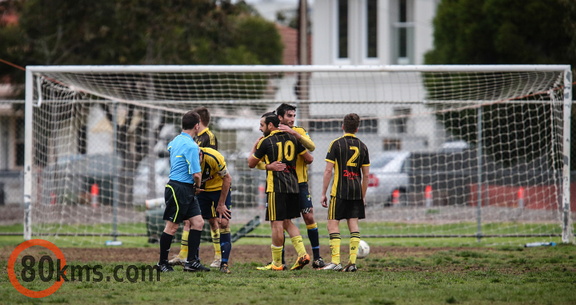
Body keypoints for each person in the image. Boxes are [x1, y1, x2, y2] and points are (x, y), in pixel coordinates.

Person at [248, 112, 313, 271]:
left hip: (276, 187)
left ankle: (277, 263)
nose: (260, 128)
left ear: (270, 125)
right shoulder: (292, 138)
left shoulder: (266, 141)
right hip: (293, 185)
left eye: (262, 125)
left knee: (276, 223)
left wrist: (254, 148)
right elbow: (309, 159)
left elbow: (251, 163)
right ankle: (302, 253)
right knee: (287, 222)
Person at [170, 106, 223, 269]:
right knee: (189, 221)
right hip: (193, 186)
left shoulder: (209, 137)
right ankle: (183, 256)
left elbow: (211, 163)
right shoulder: (192, 138)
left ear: (198, 121)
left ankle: (218, 257)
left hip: (208, 187)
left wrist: (202, 183)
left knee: (213, 221)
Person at [156, 111, 210, 273]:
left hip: (181, 187)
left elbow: (171, 149)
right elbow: (196, 174)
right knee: (172, 227)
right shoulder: (192, 146)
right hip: (180, 187)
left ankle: (191, 262)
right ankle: (162, 263)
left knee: (198, 222)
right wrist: (198, 186)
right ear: (197, 125)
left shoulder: (176, 140)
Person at [275, 103, 325, 269]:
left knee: (309, 216)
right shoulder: (273, 135)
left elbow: (312, 147)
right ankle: (279, 260)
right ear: (280, 117)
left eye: (293, 116)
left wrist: (293, 133)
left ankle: (317, 258)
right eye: (289, 116)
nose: (292, 119)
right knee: (282, 220)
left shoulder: (299, 131)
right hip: (281, 185)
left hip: (300, 183)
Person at [320, 113, 370, 272]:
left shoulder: (336, 144)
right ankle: (352, 263)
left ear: (343, 126)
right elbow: (366, 175)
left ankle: (335, 262)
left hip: (339, 191)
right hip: (356, 191)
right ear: (357, 128)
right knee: (353, 224)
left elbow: (328, 171)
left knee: (332, 224)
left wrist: (323, 193)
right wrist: (362, 196)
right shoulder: (363, 146)